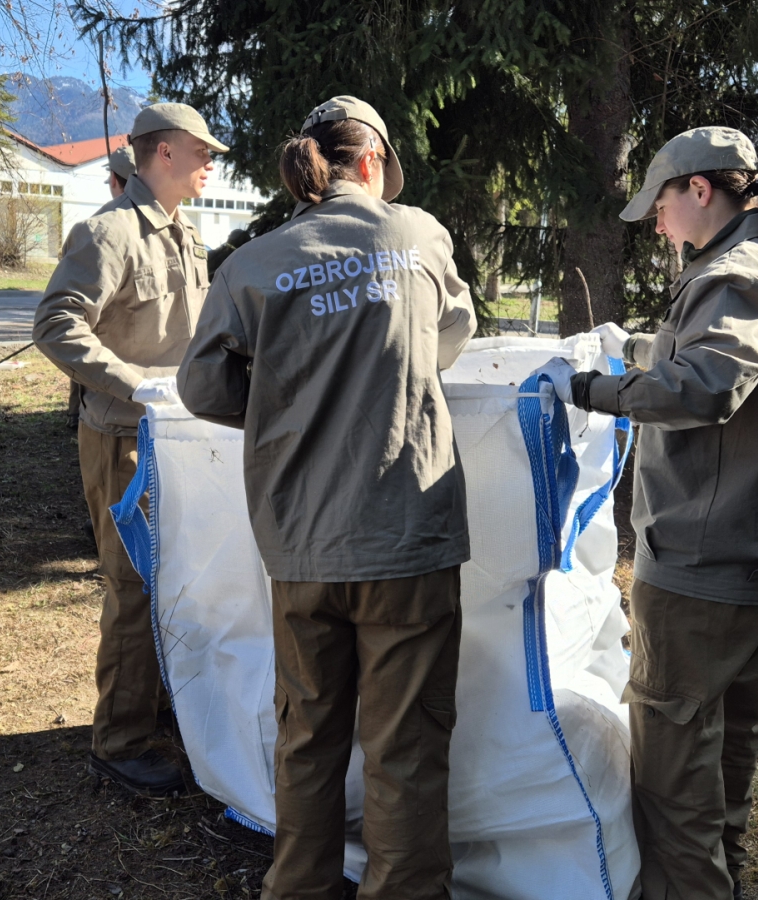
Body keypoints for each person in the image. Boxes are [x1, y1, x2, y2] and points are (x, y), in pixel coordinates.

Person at [179, 95, 476, 900]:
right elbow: (451, 336)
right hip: (404, 534)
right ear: (373, 164)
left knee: (306, 734)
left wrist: (285, 401)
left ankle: (297, 888)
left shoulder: (252, 263)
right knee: (405, 745)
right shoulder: (417, 235)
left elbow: (202, 383)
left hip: (301, 542)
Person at [537, 126, 758, 900]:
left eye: (660, 203)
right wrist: (629, 348)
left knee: (670, 765)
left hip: (706, 560)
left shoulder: (734, 273)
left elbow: (703, 386)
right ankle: (723, 877)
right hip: (749, 554)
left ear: (700, 191)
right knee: (724, 741)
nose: (656, 223)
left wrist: (590, 391)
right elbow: (700, 359)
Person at [33, 102, 227, 796]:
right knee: (134, 584)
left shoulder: (186, 234)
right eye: (201, 150)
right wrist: (137, 386)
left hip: (180, 437)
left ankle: (159, 707)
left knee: (177, 578)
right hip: (123, 437)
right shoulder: (108, 233)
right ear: (163, 152)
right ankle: (119, 739)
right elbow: (55, 324)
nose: (212, 161)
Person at [65, 144, 143, 433]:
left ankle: (77, 416)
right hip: (122, 412)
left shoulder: (96, 229)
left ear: (114, 180)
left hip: (111, 407)